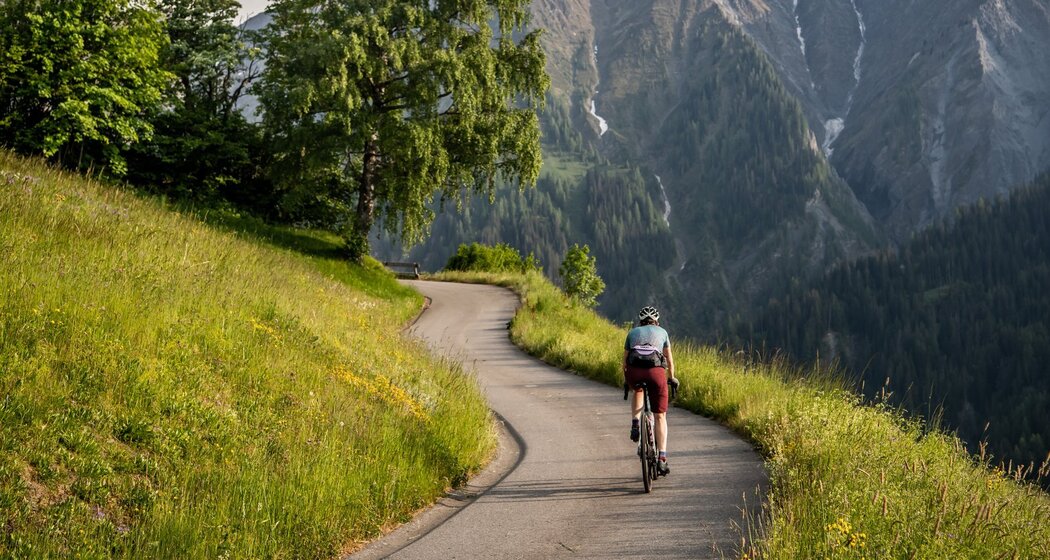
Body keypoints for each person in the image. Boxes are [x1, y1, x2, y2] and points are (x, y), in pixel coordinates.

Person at [623, 305, 679, 474]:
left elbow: (625, 362)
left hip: (635, 372)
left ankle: (635, 423)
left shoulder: (632, 333)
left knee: (638, 390)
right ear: (656, 321)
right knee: (660, 415)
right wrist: (672, 378)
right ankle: (662, 458)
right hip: (656, 373)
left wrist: (627, 381)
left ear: (640, 321)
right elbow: (669, 361)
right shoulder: (663, 332)